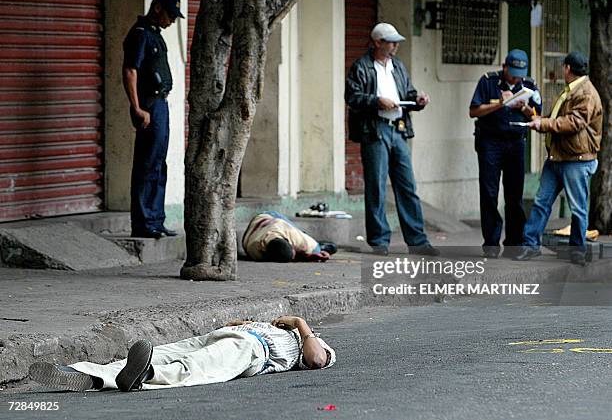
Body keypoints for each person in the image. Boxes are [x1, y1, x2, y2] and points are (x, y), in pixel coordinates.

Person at [28, 315, 336, 392]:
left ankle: (146, 376)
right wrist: (245, 322)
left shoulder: (313, 342)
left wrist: (300, 325)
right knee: (160, 351)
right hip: (231, 335)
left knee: (196, 366)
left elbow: (317, 359)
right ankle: (89, 373)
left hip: (254, 351)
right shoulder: (278, 328)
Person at [345, 22, 439, 257]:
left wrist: (417, 99)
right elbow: (353, 97)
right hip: (375, 130)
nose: (395, 45)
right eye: (391, 41)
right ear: (378, 42)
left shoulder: (397, 66)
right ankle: (379, 241)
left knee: (408, 186)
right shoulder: (362, 67)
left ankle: (418, 241)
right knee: (376, 187)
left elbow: (407, 93)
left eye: (396, 41)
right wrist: (378, 101)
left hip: (398, 129)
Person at [514, 52, 602, 266]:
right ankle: (530, 246)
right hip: (558, 157)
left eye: (563, 67)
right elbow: (556, 119)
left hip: (576, 159)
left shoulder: (586, 93)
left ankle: (577, 252)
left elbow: (574, 122)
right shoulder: (572, 90)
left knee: (578, 208)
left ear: (567, 68)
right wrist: (531, 115)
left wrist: (542, 125)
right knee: (541, 203)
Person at [469, 49, 542, 258]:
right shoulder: (488, 81)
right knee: (489, 193)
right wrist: (500, 104)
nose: (516, 77)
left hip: (516, 143)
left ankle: (514, 243)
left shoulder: (529, 85)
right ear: (504, 68)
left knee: (514, 195)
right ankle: (491, 243)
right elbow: (473, 111)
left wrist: (525, 108)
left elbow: (538, 115)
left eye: (520, 73)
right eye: (513, 73)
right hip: (490, 142)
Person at [123, 0, 184, 239]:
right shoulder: (140, 35)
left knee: (159, 163)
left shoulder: (154, 35)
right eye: (170, 15)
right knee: (147, 164)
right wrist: (137, 108)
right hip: (148, 105)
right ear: (157, 8)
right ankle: (143, 222)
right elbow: (130, 71)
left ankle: (156, 220)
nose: (172, 21)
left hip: (160, 104)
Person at [242, 211, 337, 262]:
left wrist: (312, 252)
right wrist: (307, 256)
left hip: (267, 217)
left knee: (316, 248)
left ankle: (308, 238)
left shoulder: (288, 232)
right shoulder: (256, 253)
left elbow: (311, 249)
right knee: (325, 248)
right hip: (256, 228)